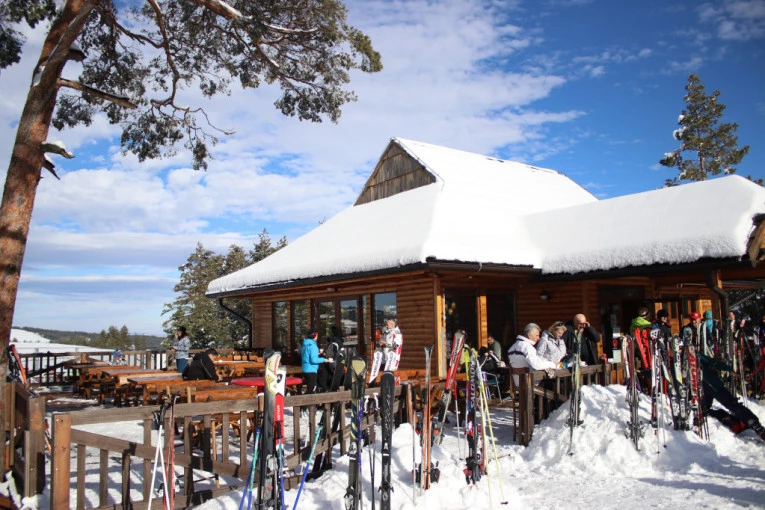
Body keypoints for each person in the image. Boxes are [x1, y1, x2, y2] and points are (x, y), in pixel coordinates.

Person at [699, 353, 765, 441]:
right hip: (701, 389)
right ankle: (734, 422)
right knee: (704, 410)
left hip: (714, 386)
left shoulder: (694, 354)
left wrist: (729, 369)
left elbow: (713, 362)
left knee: (733, 405)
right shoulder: (680, 364)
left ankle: (756, 426)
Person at [301, 330, 331, 395]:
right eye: (316, 335)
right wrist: (324, 360)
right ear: (314, 336)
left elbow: (306, 355)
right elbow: (314, 360)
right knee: (312, 388)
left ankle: (307, 401)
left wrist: (316, 354)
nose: (317, 337)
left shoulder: (305, 344)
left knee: (310, 387)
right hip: (311, 369)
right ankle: (303, 401)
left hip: (305, 368)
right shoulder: (313, 346)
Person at [318, 326, 344, 392]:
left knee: (324, 376)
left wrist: (324, 354)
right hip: (339, 363)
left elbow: (329, 354)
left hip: (331, 364)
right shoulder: (340, 342)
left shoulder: (333, 343)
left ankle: (326, 389)